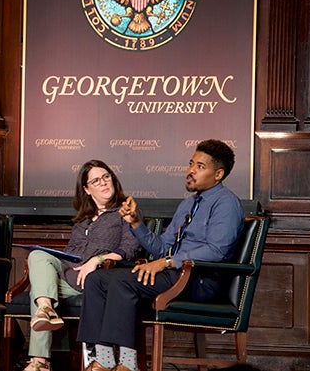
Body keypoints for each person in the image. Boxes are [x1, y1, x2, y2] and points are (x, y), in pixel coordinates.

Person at [78, 139, 245, 371]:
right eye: (190, 164)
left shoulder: (227, 204)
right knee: (96, 279)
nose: (191, 171)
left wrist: (166, 262)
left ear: (218, 174)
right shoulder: (187, 205)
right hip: (173, 274)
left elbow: (217, 250)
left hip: (199, 280)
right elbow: (162, 247)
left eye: (200, 166)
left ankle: (127, 363)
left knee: (123, 281)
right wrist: (136, 223)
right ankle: (104, 358)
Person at [23, 160, 142, 371]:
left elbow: (130, 249)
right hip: (71, 276)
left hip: (101, 280)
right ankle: (45, 309)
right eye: (96, 180)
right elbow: (71, 254)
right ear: (86, 189)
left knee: (39, 290)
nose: (104, 182)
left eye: (106, 177)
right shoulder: (82, 221)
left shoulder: (125, 212)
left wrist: (97, 260)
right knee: (38, 256)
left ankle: (40, 362)